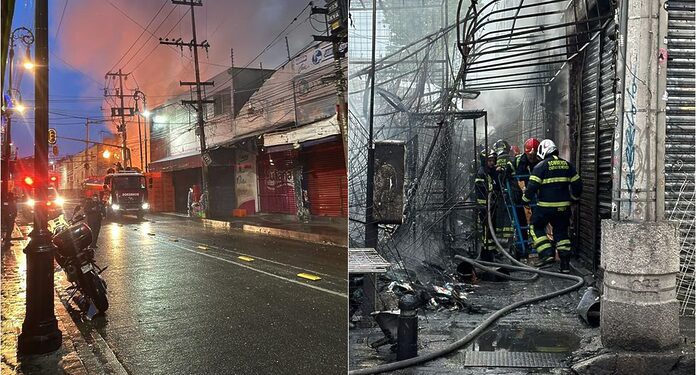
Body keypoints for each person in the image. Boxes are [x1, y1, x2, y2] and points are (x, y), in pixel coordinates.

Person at [522, 139, 582, 272]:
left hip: (545, 208)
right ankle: (565, 265)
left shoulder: (540, 167)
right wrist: (574, 198)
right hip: (563, 208)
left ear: (543, 151)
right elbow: (578, 184)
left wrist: (525, 199)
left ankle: (547, 253)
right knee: (561, 234)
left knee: (535, 226)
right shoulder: (568, 165)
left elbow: (532, 187)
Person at [505, 138, 541, 259]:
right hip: (519, 196)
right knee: (521, 221)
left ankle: (540, 246)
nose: (532, 157)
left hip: (536, 195)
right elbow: (507, 172)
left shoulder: (541, 161)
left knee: (537, 220)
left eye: (534, 154)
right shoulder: (518, 160)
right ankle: (523, 246)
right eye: (530, 154)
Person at [475, 150, 500, 262]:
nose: (492, 163)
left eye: (493, 160)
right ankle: (486, 252)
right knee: (486, 229)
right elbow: (480, 191)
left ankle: (492, 249)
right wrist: (485, 204)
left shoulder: (490, 171)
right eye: (489, 160)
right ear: (484, 161)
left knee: (492, 227)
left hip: (492, 204)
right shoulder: (481, 173)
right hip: (485, 206)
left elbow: (496, 185)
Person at [493, 139, 514, 245]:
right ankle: (509, 238)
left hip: (497, 192)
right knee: (509, 212)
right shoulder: (511, 159)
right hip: (510, 191)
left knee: (498, 213)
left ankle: (499, 236)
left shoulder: (494, 161)